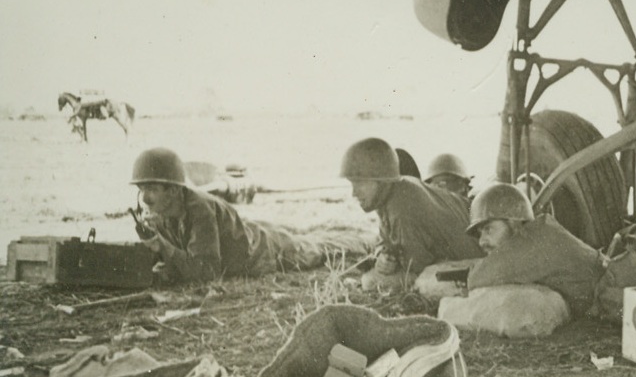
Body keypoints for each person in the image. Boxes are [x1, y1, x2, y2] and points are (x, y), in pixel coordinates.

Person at [131, 148, 373, 285]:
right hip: (250, 232)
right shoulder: (161, 212)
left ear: (173, 190)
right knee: (307, 236)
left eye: (151, 190)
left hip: (264, 252)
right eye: (142, 190)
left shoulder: (199, 210)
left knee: (320, 247)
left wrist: (162, 247)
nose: (145, 199)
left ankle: (369, 240)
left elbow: (206, 273)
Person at [342, 137, 483, 292]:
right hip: (474, 245)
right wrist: (382, 256)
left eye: (360, 183)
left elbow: (415, 269)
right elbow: (387, 241)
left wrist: (389, 265)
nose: (354, 193)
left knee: (373, 282)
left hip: (480, 258)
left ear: (381, 181)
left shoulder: (402, 207)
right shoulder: (394, 191)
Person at [465, 183, 605, 318]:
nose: (481, 241)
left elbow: (476, 278)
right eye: (480, 233)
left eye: (488, 229)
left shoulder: (534, 241)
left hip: (615, 290)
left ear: (515, 223)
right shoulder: (538, 235)